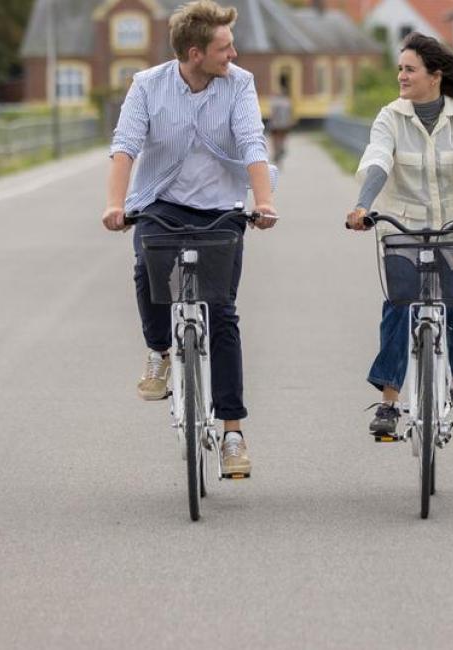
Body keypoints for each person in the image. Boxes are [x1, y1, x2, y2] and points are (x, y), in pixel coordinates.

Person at [102, 0, 278, 477]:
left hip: (222, 206)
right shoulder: (148, 86)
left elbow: (252, 142)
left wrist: (263, 203)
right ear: (195, 53)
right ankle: (159, 351)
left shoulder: (239, 83)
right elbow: (125, 146)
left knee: (221, 313)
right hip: (160, 200)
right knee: (147, 268)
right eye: (225, 47)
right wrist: (116, 205)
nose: (234, 54)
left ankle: (233, 433)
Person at [346, 32, 453, 438]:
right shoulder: (390, 117)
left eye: (409, 69)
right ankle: (388, 403)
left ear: (434, 75)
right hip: (406, 230)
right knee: (399, 309)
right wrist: (363, 206)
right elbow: (379, 161)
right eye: (400, 68)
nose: (401, 75)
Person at [267, 74, 295, 166]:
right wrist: (290, 121)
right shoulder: (287, 101)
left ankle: (276, 152)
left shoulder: (274, 101)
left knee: (275, 139)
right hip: (284, 123)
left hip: (276, 124)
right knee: (282, 138)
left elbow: (273, 113)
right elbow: (290, 113)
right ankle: (281, 149)